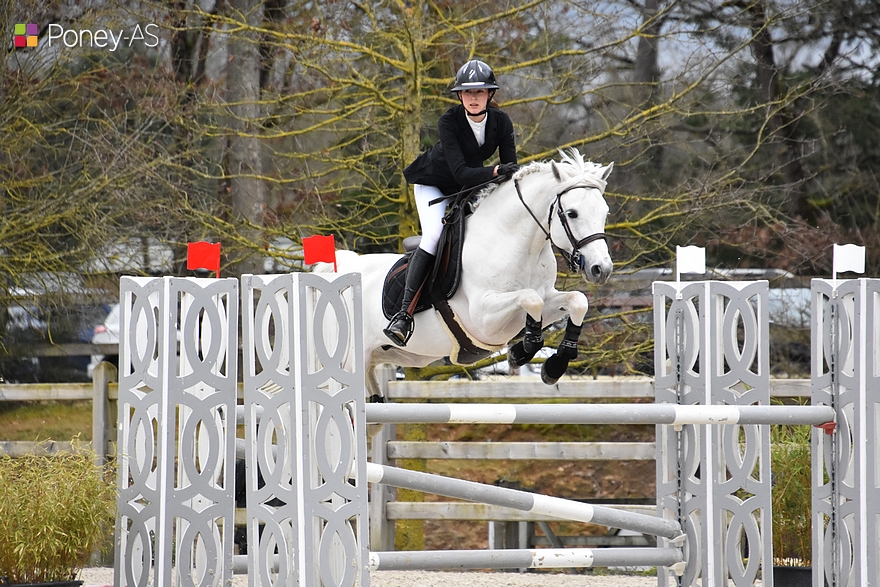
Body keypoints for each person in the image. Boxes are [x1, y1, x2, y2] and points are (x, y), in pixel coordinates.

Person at [384, 59, 520, 346]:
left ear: (489, 95)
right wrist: (496, 171)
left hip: (467, 186)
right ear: (460, 95)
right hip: (434, 184)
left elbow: (512, 169)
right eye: (468, 93)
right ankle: (404, 314)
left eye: (479, 92)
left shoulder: (502, 122)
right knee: (434, 235)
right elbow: (462, 172)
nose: (473, 98)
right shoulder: (449, 121)